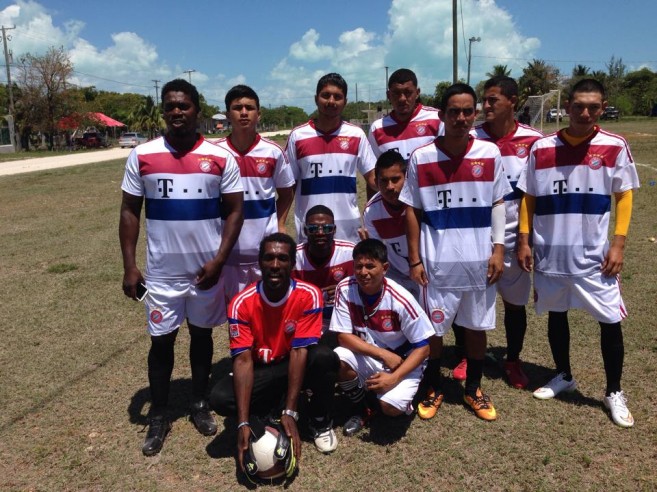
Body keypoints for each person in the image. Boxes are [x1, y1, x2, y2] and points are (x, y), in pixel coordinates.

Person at [119, 78, 244, 456]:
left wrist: (220, 259)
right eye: (170, 106)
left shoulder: (221, 157)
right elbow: (129, 210)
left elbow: (236, 209)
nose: (177, 112)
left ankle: (199, 403)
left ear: (197, 111)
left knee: (202, 338)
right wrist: (129, 265)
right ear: (163, 110)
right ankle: (159, 413)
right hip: (161, 274)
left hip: (206, 271)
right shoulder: (142, 155)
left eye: (184, 106)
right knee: (162, 343)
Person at [517, 78, 639, 427]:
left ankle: (613, 390)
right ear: (567, 106)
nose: (585, 113)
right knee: (557, 314)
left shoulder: (614, 145)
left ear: (602, 108)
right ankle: (565, 375)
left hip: (594, 256)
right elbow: (529, 197)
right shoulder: (541, 149)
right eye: (578, 106)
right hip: (550, 253)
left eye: (593, 107)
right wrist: (524, 239)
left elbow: (624, 194)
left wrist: (618, 243)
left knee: (609, 320)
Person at [400, 83, 511, 421]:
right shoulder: (422, 157)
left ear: (474, 113)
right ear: (442, 115)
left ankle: (473, 388)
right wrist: (415, 258)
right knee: (434, 331)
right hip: (436, 265)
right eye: (454, 112)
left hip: (480, 263)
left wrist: (498, 249)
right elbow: (412, 211)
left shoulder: (489, 153)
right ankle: (432, 387)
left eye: (467, 111)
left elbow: (497, 202)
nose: (461, 118)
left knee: (477, 328)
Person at [209, 233, 341, 473]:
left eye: (282, 258)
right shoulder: (241, 302)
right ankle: (263, 415)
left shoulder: (308, 294)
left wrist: (290, 412)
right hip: (261, 369)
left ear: (292, 263)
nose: (275, 265)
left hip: (293, 361)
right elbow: (243, 360)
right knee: (220, 397)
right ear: (259, 262)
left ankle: (319, 420)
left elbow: (300, 351)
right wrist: (242, 422)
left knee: (324, 357)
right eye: (269, 258)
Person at [471, 76, 543, 389]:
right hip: (475, 237)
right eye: (484, 100)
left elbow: (535, 194)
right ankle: (468, 355)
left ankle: (512, 360)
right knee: (472, 302)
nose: (484, 106)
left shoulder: (534, 141)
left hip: (516, 237)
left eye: (492, 100)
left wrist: (528, 237)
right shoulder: (470, 138)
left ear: (512, 101)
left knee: (515, 303)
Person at [330, 239, 433, 436]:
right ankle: (363, 409)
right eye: (358, 266)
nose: (363, 272)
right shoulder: (344, 288)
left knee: (390, 408)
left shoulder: (401, 298)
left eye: (370, 266)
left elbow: (423, 348)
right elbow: (343, 336)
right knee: (339, 358)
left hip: (402, 362)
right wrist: (383, 354)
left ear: (384, 267)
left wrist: (394, 377)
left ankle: (413, 388)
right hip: (377, 356)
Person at [214, 85, 295, 304]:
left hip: (265, 254)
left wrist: (280, 223)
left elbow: (286, 192)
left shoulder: (272, 151)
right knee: (235, 315)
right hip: (227, 255)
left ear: (259, 114)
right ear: (228, 113)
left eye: (249, 108)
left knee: (269, 310)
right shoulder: (216, 152)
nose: (243, 112)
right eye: (237, 107)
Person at [285, 73, 377, 243]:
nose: (331, 101)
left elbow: (373, 179)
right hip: (310, 230)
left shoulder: (356, 134)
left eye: (338, 97)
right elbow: (289, 186)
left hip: (348, 231)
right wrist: (281, 223)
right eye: (325, 95)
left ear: (345, 102)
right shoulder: (298, 136)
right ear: (316, 99)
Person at [292, 205, 355, 340]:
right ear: (305, 231)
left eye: (326, 228)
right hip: (304, 322)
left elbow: (367, 288)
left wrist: (343, 290)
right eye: (313, 229)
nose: (320, 233)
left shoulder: (351, 254)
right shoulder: (292, 258)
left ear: (334, 230)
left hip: (341, 324)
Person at [361, 149, 418, 297]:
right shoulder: (371, 211)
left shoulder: (419, 200)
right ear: (375, 182)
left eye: (395, 179)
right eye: (384, 181)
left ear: (406, 178)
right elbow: (378, 252)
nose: (390, 187)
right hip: (396, 274)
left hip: (424, 270)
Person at [367, 68, 443, 161]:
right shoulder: (377, 129)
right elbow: (376, 169)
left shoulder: (438, 119)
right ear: (388, 95)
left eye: (408, 92)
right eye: (396, 93)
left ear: (417, 93)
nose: (402, 98)